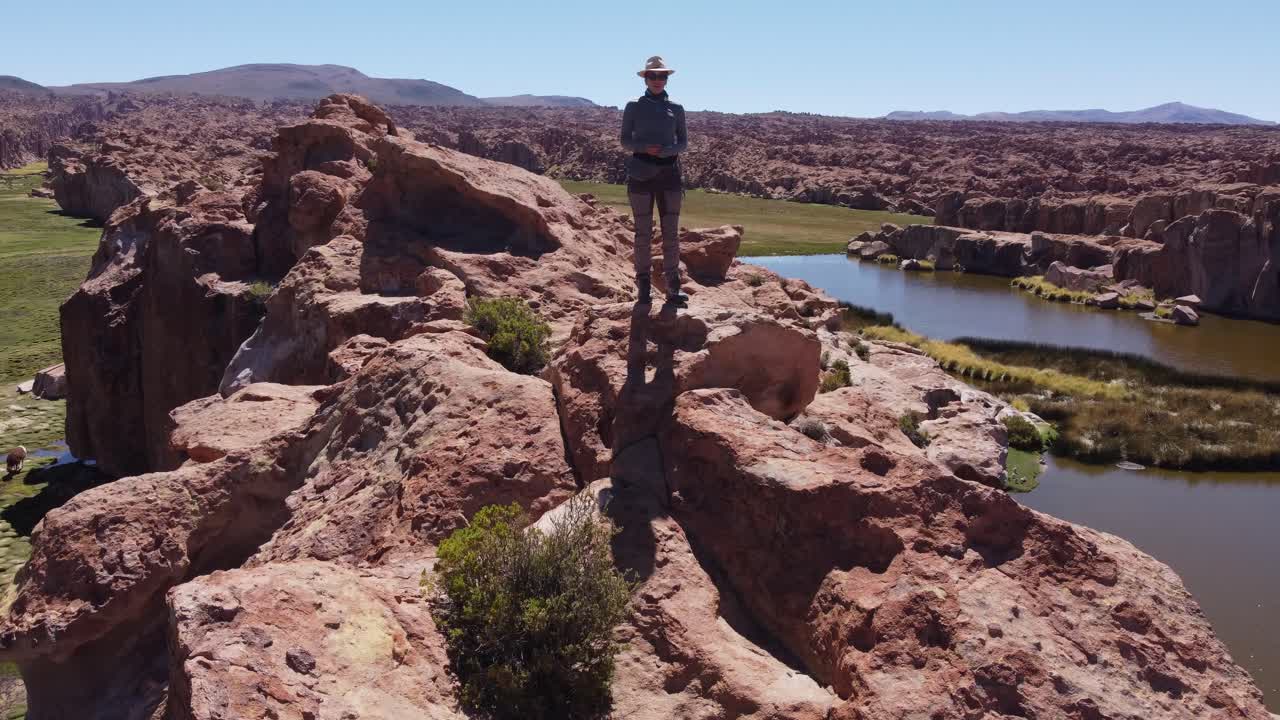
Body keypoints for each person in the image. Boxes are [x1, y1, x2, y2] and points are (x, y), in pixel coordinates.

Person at [620, 56, 688, 306]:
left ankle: (673, 288)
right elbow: (625, 141)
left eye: (662, 76)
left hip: (669, 175)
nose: (658, 80)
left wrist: (669, 151)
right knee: (643, 233)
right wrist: (644, 148)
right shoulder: (633, 107)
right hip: (641, 175)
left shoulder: (677, 109)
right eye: (653, 76)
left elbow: (684, 143)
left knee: (671, 233)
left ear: (667, 79)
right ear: (645, 78)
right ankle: (644, 288)